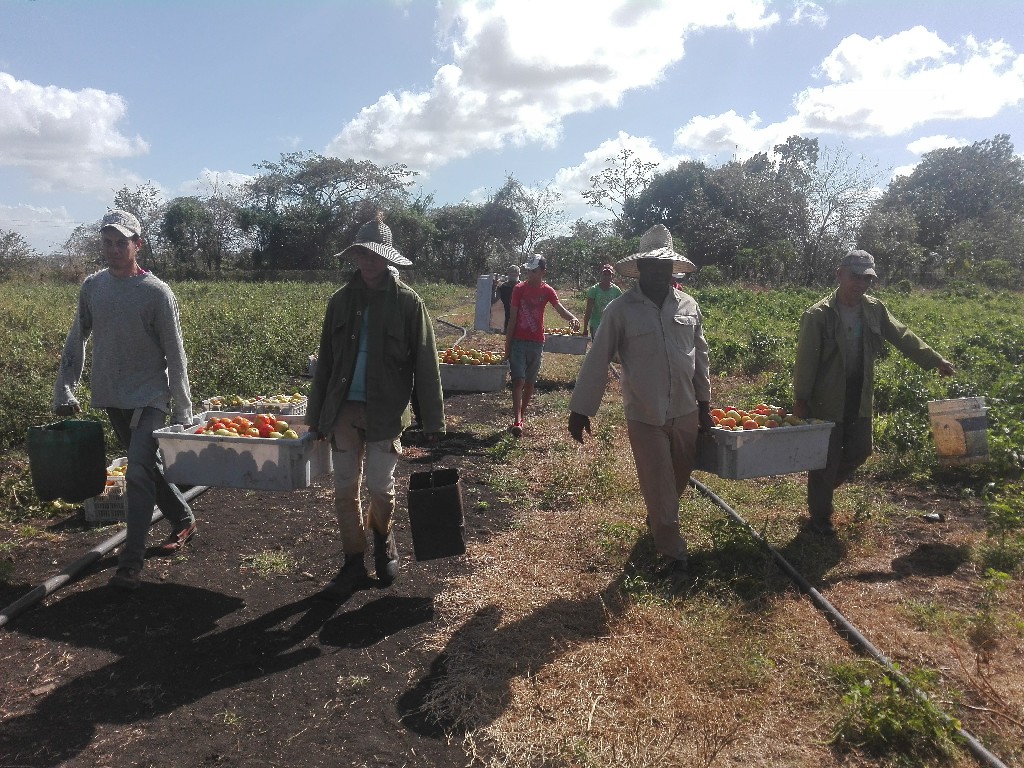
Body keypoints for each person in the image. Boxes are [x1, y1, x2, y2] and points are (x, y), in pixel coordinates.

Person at [53, 209, 198, 591]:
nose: (114, 249)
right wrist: (64, 386)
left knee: (136, 471)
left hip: (151, 395)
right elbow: (77, 338)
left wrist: (183, 406)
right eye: (108, 242)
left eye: (122, 242)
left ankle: (129, 565)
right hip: (112, 394)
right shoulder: (93, 287)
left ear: (138, 244)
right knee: (143, 466)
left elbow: (175, 352)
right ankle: (183, 519)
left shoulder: (156, 292)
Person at [306, 213, 445, 601]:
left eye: (374, 255)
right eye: (361, 254)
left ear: (387, 259)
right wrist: (316, 418)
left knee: (380, 487)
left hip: (386, 411)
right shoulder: (340, 302)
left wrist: (432, 419)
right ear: (355, 257)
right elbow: (326, 364)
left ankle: (384, 541)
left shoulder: (407, 303)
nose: (367, 261)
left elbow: (425, 363)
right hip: (344, 410)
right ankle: (353, 558)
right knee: (344, 487)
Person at [568, 225, 712, 583]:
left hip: (685, 411)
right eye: (653, 266)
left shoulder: (689, 306)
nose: (660, 273)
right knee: (660, 485)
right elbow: (598, 358)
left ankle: (659, 521)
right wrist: (581, 408)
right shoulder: (621, 310)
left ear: (672, 270)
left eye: (666, 267)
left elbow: (700, 356)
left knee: (677, 478)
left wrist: (705, 403)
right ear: (641, 268)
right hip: (645, 414)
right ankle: (675, 557)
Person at [793, 249, 955, 536]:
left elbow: (902, 335)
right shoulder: (819, 315)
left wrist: (935, 360)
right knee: (826, 459)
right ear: (840, 275)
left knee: (861, 450)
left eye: (867, 279)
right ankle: (820, 516)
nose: (861, 284)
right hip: (827, 399)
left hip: (859, 395)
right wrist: (801, 401)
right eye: (855, 277)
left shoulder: (874, 309)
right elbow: (805, 362)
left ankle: (821, 490)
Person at [505, 255, 580, 437]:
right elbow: (513, 319)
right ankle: (517, 419)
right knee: (518, 381)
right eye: (528, 270)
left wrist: (572, 318)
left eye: (534, 271)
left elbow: (559, 309)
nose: (530, 274)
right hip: (518, 341)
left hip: (537, 342)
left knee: (530, 384)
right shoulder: (518, 290)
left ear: (542, 272)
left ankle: (521, 416)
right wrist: (507, 346)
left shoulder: (547, 291)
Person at [582, 263, 623, 338]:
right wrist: (585, 328)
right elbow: (588, 311)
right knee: (598, 348)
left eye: (609, 275)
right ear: (601, 275)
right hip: (596, 325)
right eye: (604, 274)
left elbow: (620, 310)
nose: (606, 277)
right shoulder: (594, 290)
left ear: (612, 276)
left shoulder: (616, 291)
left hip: (611, 325)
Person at [497, 265, 520, 332]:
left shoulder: (522, 287)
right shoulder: (502, 287)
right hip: (505, 315)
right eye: (512, 274)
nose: (513, 276)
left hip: (519, 316)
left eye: (514, 274)